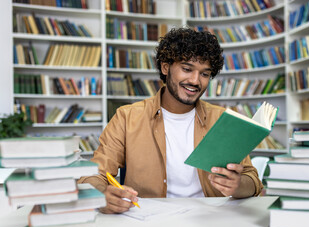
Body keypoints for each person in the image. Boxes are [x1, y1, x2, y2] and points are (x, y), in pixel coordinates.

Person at [78, 27, 263, 214]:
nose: (195, 80)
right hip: (148, 221)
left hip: (210, 220)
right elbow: (93, 175)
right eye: (187, 69)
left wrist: (238, 185)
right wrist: (104, 194)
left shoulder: (222, 119)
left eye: (205, 74)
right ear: (165, 67)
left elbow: (252, 180)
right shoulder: (127, 117)